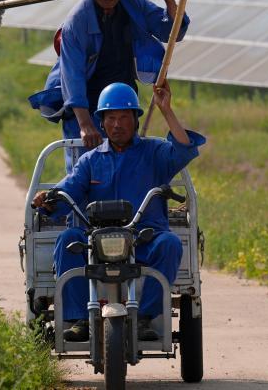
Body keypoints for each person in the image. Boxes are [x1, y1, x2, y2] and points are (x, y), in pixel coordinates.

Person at [32, 81, 205, 342]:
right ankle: (80, 319)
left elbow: (184, 150)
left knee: (170, 243)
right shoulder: (90, 160)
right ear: (101, 122)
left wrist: (166, 110)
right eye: (111, 117)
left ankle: (145, 319)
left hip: (144, 239)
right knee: (68, 240)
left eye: (124, 117)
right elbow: (68, 191)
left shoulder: (154, 151)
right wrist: (48, 199)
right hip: (96, 241)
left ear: (135, 120)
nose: (117, 124)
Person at [28, 0, 190, 173]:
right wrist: (85, 125)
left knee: (126, 171)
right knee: (85, 172)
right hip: (85, 104)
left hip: (122, 101)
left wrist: (170, 1)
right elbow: (71, 75)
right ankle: (79, 209)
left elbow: (172, 32)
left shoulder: (134, 5)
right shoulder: (77, 21)